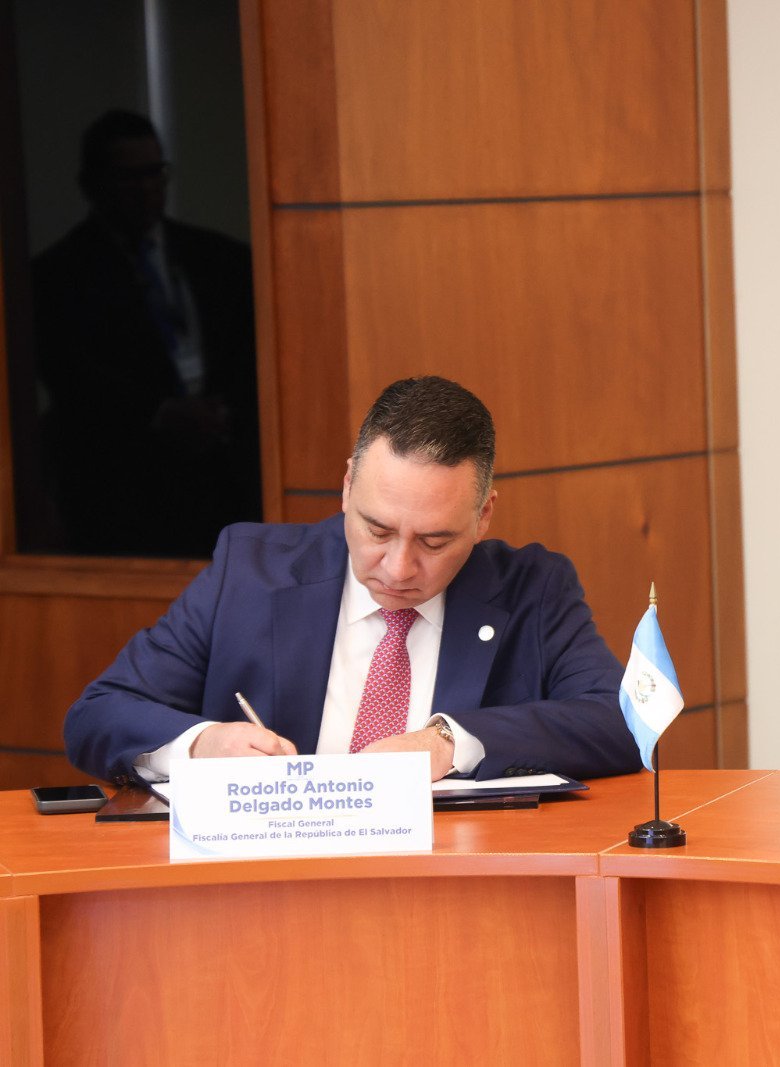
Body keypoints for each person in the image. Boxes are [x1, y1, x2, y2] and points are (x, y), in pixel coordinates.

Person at [65, 376, 641, 784]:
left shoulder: (532, 590)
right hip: (268, 883)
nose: (398, 567)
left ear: (483, 516)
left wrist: (448, 742)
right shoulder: (249, 573)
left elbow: (622, 722)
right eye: (377, 530)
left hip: (454, 884)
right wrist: (202, 745)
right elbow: (99, 713)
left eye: (434, 541)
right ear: (346, 488)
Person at [31, 109, 259, 557]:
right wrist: (161, 413)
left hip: (223, 478)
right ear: (92, 184)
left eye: (155, 172)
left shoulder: (220, 258)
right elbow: (70, 376)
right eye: (128, 176)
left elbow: (252, 351)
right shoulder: (57, 275)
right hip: (121, 488)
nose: (146, 187)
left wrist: (219, 412)